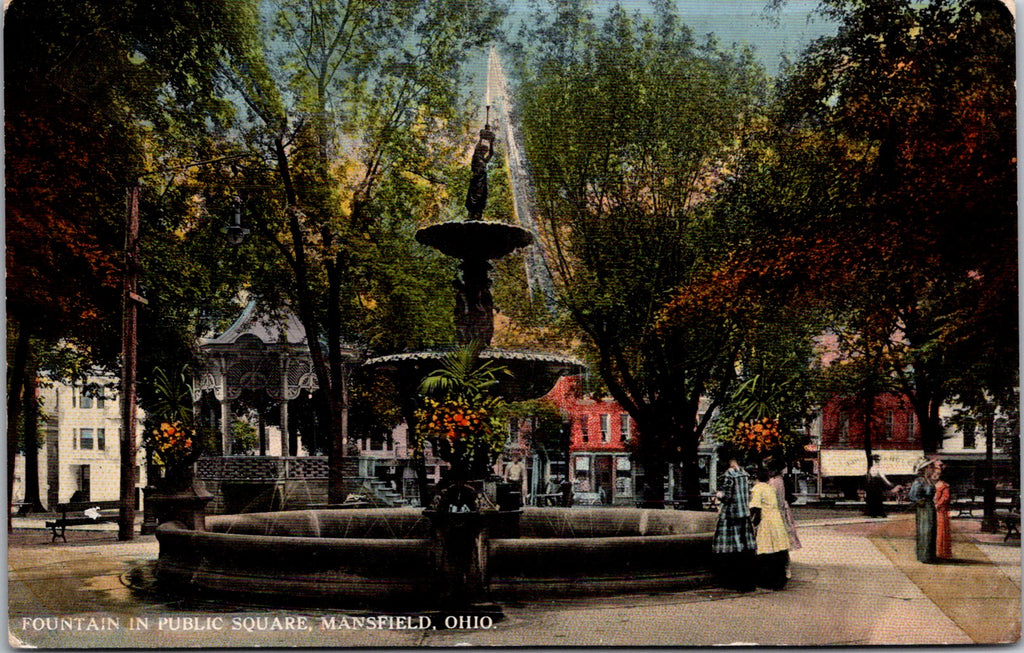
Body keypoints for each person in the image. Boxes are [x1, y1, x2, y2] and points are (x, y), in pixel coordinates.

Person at [711, 458, 757, 591]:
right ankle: (747, 582)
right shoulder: (744, 474)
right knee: (745, 548)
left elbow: (727, 496)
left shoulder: (729, 475)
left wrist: (719, 495)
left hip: (730, 515)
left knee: (731, 549)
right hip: (744, 514)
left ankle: (733, 581)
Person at [750, 467, 791, 590]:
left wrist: (753, 524)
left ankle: (767, 580)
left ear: (755, 478)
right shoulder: (770, 488)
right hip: (777, 521)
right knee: (778, 550)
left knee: (765, 550)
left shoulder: (757, 489)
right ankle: (779, 579)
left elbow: (755, 508)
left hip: (766, 522)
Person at [769, 465, 801, 579]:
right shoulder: (780, 480)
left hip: (778, 512)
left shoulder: (775, 481)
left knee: (779, 541)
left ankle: (784, 568)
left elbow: (776, 500)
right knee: (783, 541)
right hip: (782, 511)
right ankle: (785, 567)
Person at [908, 458, 937, 563]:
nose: (933, 469)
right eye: (931, 467)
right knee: (925, 531)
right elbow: (912, 496)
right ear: (925, 468)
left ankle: (930, 556)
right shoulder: (919, 481)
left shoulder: (930, 480)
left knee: (931, 531)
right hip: (923, 509)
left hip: (930, 507)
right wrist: (920, 501)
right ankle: (924, 556)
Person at [465, 127, 495, 220]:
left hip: (482, 181)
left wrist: (491, 142)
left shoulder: (484, 160)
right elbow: (477, 147)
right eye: (483, 150)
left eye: (485, 151)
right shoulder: (476, 156)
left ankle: (478, 213)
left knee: (482, 196)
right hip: (476, 180)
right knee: (473, 197)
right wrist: (482, 138)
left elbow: (491, 154)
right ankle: (471, 213)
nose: (484, 152)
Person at [933, 460, 953, 560]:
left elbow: (946, 497)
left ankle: (941, 553)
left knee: (941, 531)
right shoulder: (933, 485)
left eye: (937, 474)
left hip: (941, 511)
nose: (935, 475)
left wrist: (937, 504)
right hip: (934, 510)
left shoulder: (944, 485)